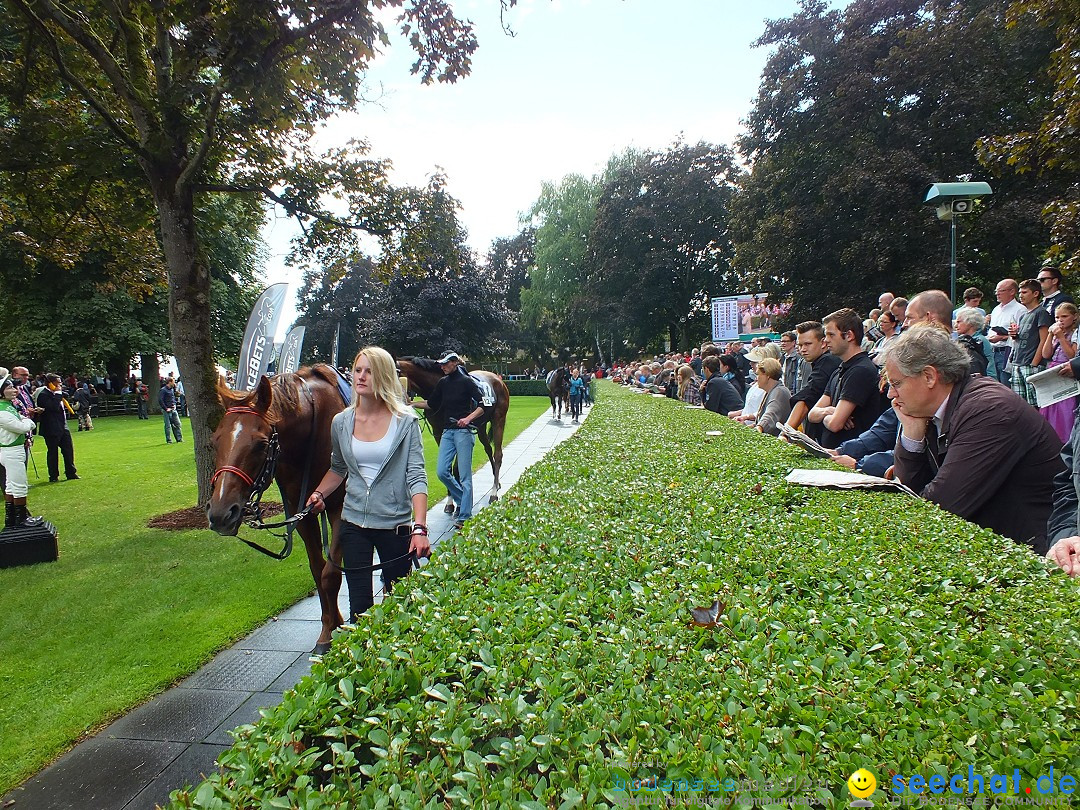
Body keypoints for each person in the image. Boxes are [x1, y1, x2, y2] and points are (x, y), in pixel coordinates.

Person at [887, 325, 1063, 553]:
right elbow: (915, 493)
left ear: (930, 376)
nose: (891, 394)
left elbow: (939, 508)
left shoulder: (989, 410)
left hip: (1034, 554)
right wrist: (911, 432)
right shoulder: (938, 409)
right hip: (1000, 543)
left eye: (896, 383)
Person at [305, 346, 429, 622]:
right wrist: (318, 493)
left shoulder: (405, 422)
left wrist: (419, 528)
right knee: (359, 610)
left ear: (383, 376)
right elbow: (338, 469)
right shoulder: (341, 422)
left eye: (369, 372)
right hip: (353, 525)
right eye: (357, 370)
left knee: (400, 607)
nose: (360, 377)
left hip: (394, 526)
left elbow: (417, 476)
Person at [413, 351, 485, 529]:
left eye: (446, 363)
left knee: (465, 475)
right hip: (448, 432)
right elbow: (431, 404)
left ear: (455, 363)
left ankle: (465, 515)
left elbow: (484, 405)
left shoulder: (467, 382)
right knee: (442, 471)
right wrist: (411, 404)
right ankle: (464, 500)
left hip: (463, 432)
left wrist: (468, 419)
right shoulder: (443, 383)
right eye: (441, 364)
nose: (442, 366)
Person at [808, 308, 887, 449]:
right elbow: (812, 414)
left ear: (849, 335)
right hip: (836, 454)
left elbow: (835, 424)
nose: (826, 340)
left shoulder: (860, 370)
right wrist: (830, 411)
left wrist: (832, 415)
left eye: (831, 335)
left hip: (852, 456)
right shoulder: (840, 369)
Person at [784, 321, 841, 443]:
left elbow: (808, 395)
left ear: (823, 343)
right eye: (800, 345)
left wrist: (785, 434)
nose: (802, 349)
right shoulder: (823, 361)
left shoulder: (827, 361)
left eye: (808, 344)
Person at [0, 374, 40, 528]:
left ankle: (11, 519)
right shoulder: (3, 411)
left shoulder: (8, 406)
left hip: (12, 449)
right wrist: (29, 422)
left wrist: (24, 420)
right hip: (11, 450)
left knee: (10, 484)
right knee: (19, 485)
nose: (13, 389)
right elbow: (21, 426)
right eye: (9, 387)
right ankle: (21, 518)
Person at [1037, 301, 1079, 442]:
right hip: (1052, 368)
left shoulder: (1074, 334)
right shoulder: (1055, 333)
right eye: (1057, 317)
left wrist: (1061, 337)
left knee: (1065, 408)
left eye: (1064, 316)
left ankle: (1065, 437)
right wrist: (1050, 335)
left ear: (1074, 317)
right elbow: (1046, 354)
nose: (1060, 320)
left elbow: (1071, 355)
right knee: (1050, 406)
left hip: (1066, 370)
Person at [1008, 278, 1052, 406]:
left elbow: (1044, 339)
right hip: (1017, 362)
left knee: (1034, 403)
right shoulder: (1023, 315)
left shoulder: (1041, 312)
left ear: (1035, 294)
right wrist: (1014, 335)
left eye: (1025, 292)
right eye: (1020, 292)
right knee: (1020, 403)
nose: (1021, 295)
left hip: (1030, 364)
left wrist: (1034, 363)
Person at [36, 373, 78, 482]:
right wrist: (58, 393)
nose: (60, 384)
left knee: (68, 450)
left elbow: (66, 395)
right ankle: (53, 476)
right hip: (51, 428)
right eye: (57, 382)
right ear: (50, 383)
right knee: (53, 453)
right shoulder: (44, 395)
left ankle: (71, 472)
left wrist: (59, 393)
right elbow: (53, 407)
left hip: (63, 426)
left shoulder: (59, 393)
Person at [986, 278, 1027, 384]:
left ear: (1012, 291)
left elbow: (1023, 335)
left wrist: (1002, 337)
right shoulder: (996, 310)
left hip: (1007, 352)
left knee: (1006, 385)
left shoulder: (1020, 310)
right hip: (992, 352)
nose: (997, 294)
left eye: (1000, 291)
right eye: (996, 291)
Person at [954, 307, 995, 379]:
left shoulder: (980, 340)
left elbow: (990, 366)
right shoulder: (967, 340)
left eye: (959, 322)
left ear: (970, 323)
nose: (955, 326)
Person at [159, 377, 183, 443]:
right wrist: (166, 408)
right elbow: (160, 400)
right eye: (173, 381)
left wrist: (174, 404)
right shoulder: (163, 390)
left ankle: (179, 439)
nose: (174, 383)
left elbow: (173, 398)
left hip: (173, 409)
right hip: (167, 410)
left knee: (177, 424)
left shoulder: (172, 389)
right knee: (168, 426)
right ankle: (169, 440)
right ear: (169, 382)